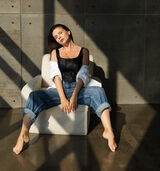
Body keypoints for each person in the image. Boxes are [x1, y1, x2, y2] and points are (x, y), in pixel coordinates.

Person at [13, 24, 117, 154]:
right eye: (56, 37)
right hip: (59, 89)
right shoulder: (55, 52)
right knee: (34, 96)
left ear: (68, 32)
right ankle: (23, 133)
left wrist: (74, 96)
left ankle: (108, 131)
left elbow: (83, 75)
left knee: (99, 92)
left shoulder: (83, 51)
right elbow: (55, 76)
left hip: (79, 89)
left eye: (60, 33)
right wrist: (63, 98)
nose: (58, 37)